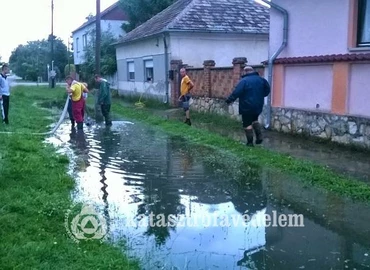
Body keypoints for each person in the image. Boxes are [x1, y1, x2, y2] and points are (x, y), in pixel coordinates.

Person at [225, 66, 270, 146]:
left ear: (245, 72)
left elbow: (237, 92)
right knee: (255, 120)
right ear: (252, 71)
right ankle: (259, 137)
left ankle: (250, 143)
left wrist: (229, 100)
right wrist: (260, 96)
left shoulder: (244, 81)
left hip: (246, 105)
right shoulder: (262, 80)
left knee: (247, 123)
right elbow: (267, 90)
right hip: (258, 105)